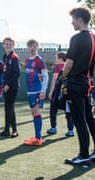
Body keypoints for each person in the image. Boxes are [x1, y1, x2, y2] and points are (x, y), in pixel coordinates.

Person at [63, 6, 95, 166]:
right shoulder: (93, 37)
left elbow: (68, 64)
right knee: (89, 118)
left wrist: (62, 77)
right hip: (86, 83)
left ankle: (84, 155)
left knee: (79, 119)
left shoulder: (76, 38)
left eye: (73, 19)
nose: (71, 22)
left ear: (80, 19)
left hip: (75, 83)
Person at [23, 39, 48, 146]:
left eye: (34, 46)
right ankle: (37, 136)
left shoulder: (39, 60)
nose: (32, 48)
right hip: (30, 91)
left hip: (37, 90)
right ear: (27, 48)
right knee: (34, 112)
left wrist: (43, 91)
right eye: (30, 46)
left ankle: (38, 138)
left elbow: (45, 76)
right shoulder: (27, 60)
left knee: (37, 112)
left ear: (38, 47)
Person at [46, 52, 74, 137]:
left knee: (53, 111)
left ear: (60, 58)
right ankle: (71, 130)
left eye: (56, 58)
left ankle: (53, 128)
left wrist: (51, 92)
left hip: (58, 94)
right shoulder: (70, 67)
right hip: (67, 94)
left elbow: (54, 80)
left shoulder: (58, 67)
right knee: (68, 112)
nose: (55, 59)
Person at [0, 37, 21, 138]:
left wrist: (8, 85)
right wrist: (4, 84)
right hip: (5, 87)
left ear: (13, 45)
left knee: (10, 108)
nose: (8, 46)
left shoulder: (14, 57)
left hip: (12, 87)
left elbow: (17, 73)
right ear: (3, 45)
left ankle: (14, 130)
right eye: (6, 44)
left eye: (10, 44)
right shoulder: (5, 56)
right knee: (7, 108)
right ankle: (7, 130)